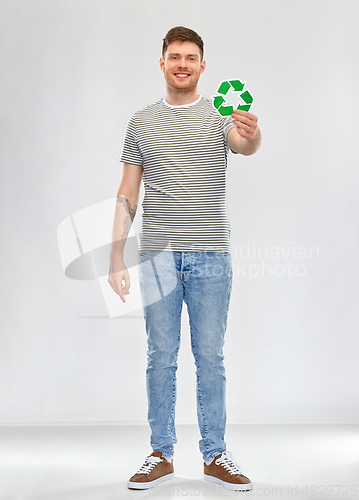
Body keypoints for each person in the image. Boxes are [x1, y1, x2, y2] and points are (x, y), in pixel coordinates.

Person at [108, 26, 261, 492]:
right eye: (174, 56)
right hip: (157, 256)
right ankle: (161, 454)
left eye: (190, 57)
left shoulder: (221, 116)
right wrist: (116, 253)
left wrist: (252, 133)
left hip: (211, 255)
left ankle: (215, 454)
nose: (182, 64)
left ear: (202, 65)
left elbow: (243, 145)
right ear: (162, 63)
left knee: (210, 356)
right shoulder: (141, 122)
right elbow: (128, 191)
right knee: (160, 357)